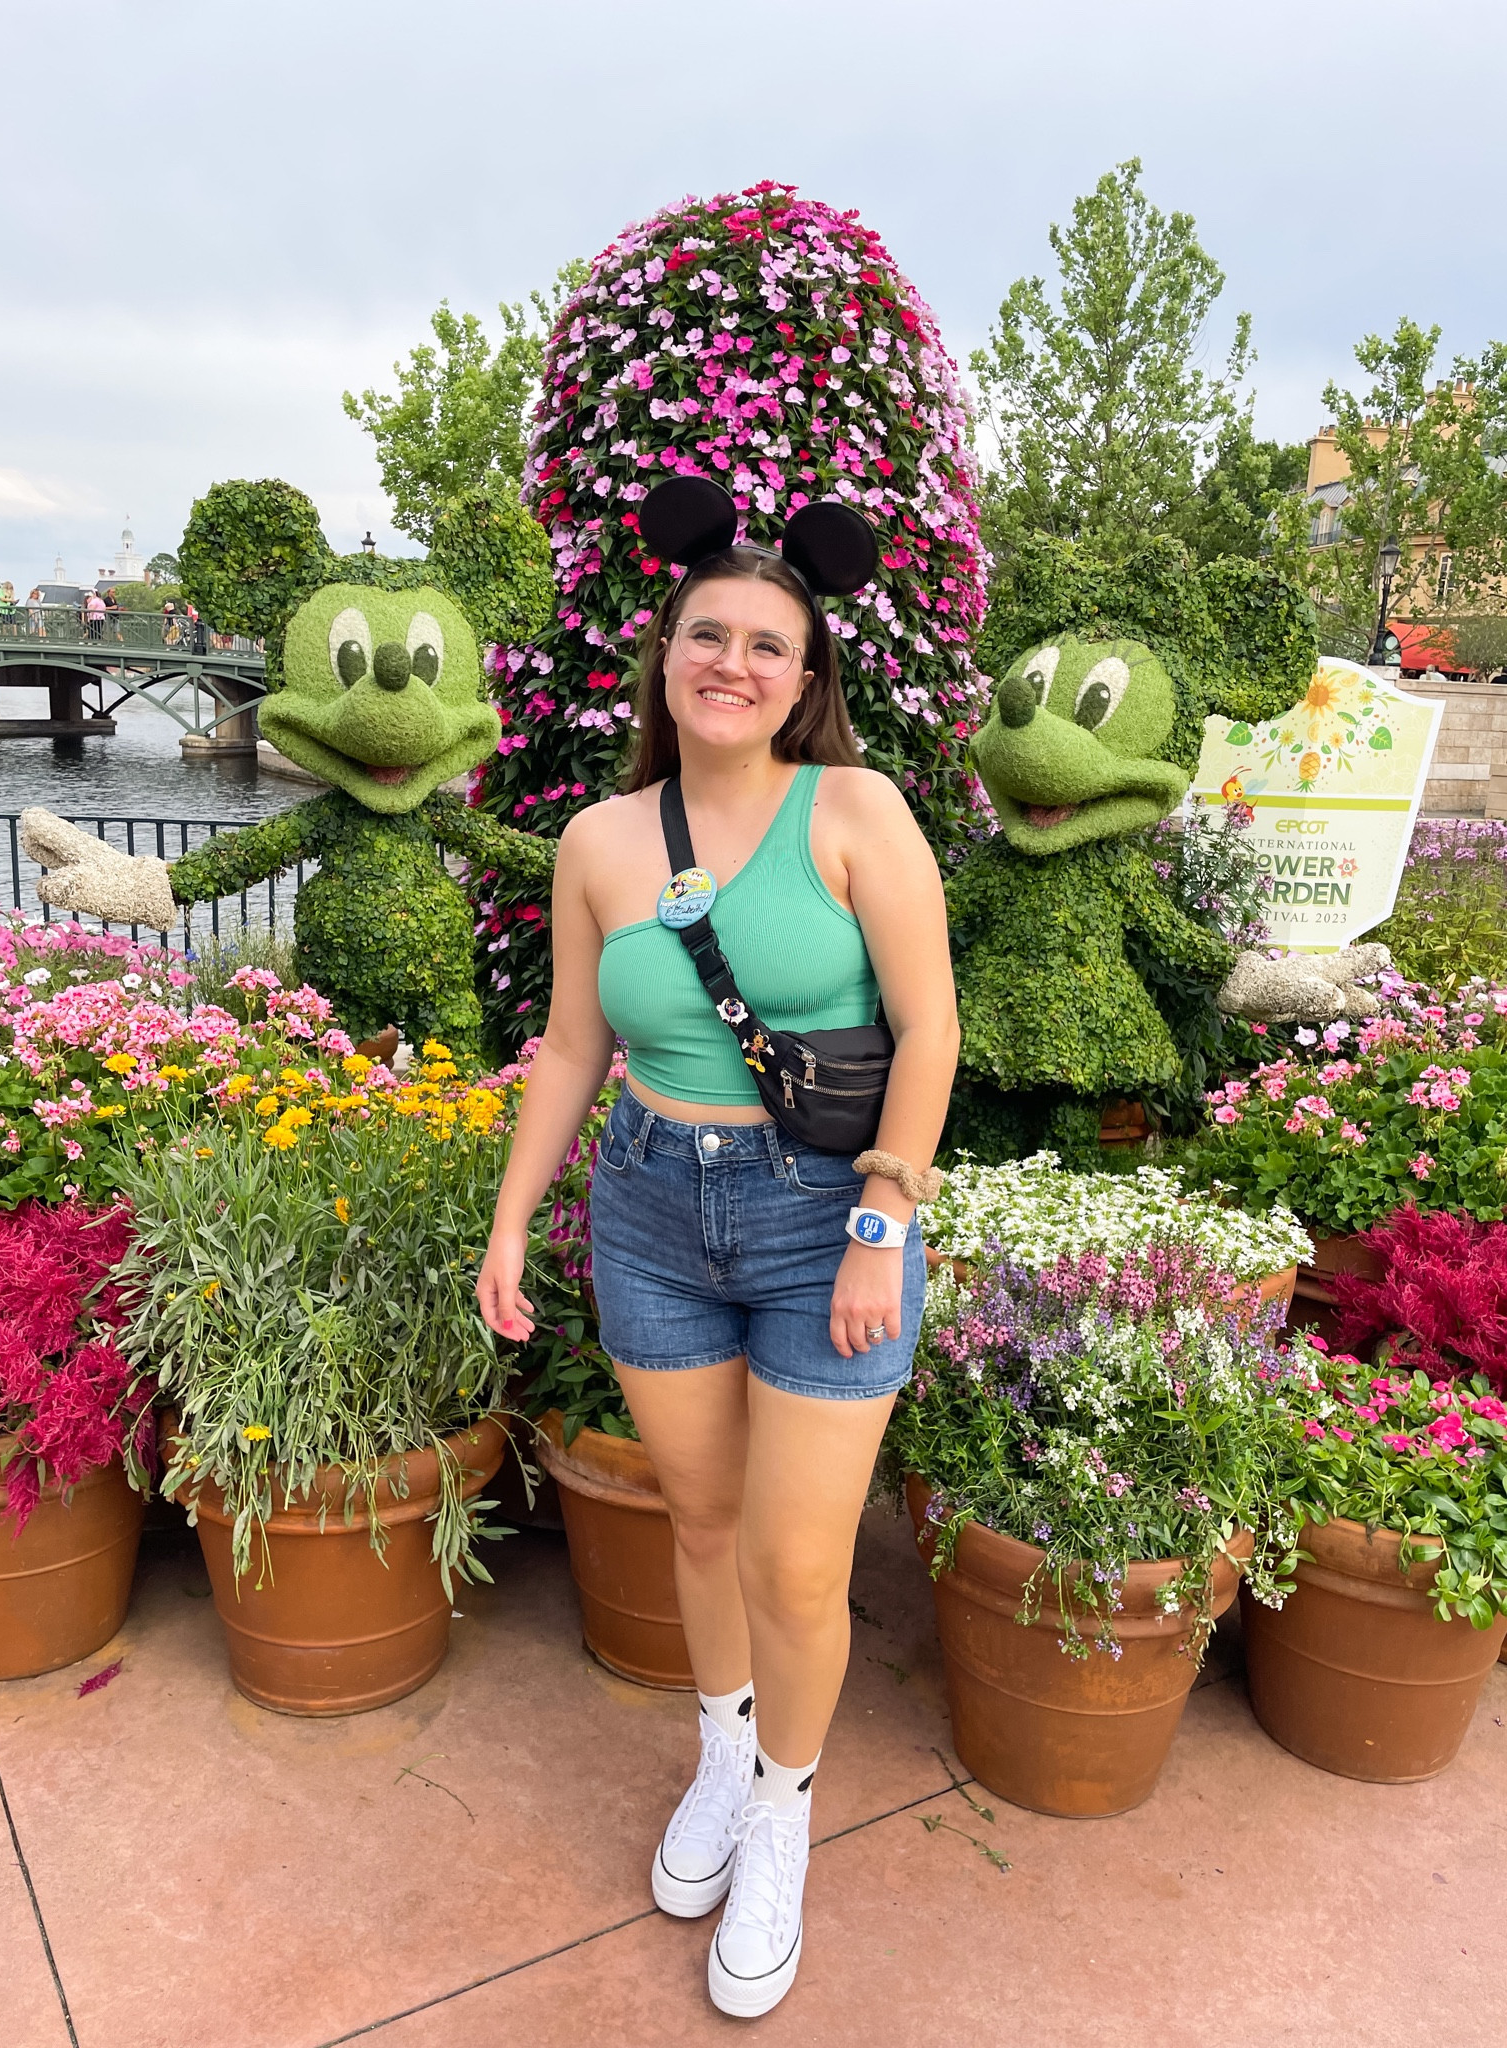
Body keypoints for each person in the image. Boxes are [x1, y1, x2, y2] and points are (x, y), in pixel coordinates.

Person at [476, 489, 958, 2019]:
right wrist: (510, 1220)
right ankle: (722, 1757)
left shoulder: (857, 812)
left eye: (769, 644)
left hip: (832, 1216)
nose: (734, 663)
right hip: (651, 1206)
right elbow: (567, 1049)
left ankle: (783, 1815)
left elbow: (932, 1027)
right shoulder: (601, 840)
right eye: (709, 635)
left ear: (805, 675)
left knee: (800, 1563)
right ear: (665, 653)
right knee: (698, 1522)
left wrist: (886, 1210)